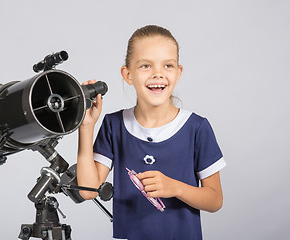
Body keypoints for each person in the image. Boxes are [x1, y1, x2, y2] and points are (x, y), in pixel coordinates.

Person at [77, 25, 226, 240]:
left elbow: (215, 200)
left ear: (178, 72)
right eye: (146, 65)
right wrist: (86, 127)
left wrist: (175, 188)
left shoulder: (197, 127)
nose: (158, 74)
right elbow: (88, 190)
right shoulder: (114, 124)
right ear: (127, 74)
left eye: (168, 65)